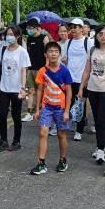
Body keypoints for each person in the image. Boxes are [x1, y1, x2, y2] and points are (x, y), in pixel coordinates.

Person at [30, 42, 73, 175]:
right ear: (45, 54)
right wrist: (37, 109)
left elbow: (69, 91)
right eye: (50, 51)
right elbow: (40, 90)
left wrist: (66, 111)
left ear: (59, 54)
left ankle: (63, 160)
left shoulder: (64, 70)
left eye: (56, 51)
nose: (53, 54)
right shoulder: (42, 71)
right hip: (47, 108)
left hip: (60, 108)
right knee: (43, 133)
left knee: (61, 135)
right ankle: (41, 163)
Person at [80, 25, 105, 165]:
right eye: (100, 34)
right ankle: (100, 146)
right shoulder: (91, 50)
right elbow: (87, 70)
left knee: (102, 119)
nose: (103, 36)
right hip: (92, 89)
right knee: (96, 120)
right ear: (96, 36)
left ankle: (101, 150)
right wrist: (81, 88)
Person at [0, 25, 30, 152]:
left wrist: (22, 88)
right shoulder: (3, 49)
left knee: (16, 115)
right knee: (2, 114)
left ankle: (16, 141)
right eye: (7, 34)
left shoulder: (22, 51)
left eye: (12, 34)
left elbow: (23, 70)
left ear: (17, 36)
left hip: (16, 89)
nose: (9, 36)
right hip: (4, 88)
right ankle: (3, 140)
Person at [62, 18, 92, 140]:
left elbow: (91, 61)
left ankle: (79, 130)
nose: (73, 29)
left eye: (75, 27)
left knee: (80, 104)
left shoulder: (88, 42)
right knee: (70, 102)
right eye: (71, 27)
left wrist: (88, 78)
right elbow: (65, 59)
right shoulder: (68, 42)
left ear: (81, 28)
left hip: (82, 79)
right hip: (70, 78)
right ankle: (71, 123)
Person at [22, 17, 49, 122]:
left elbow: (47, 54)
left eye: (31, 28)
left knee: (41, 91)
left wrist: (46, 68)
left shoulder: (44, 38)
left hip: (41, 69)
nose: (29, 30)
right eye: (28, 28)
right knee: (31, 91)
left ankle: (41, 111)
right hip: (31, 69)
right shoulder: (29, 39)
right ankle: (29, 113)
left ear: (37, 28)